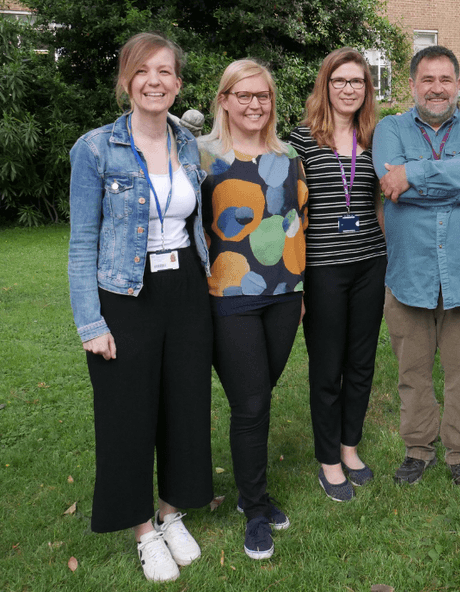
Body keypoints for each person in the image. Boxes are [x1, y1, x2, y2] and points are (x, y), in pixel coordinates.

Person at [68, 32, 212, 583]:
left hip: (185, 291)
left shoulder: (186, 142)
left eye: (165, 71)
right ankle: (143, 531)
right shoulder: (94, 148)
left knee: (184, 404)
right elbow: (82, 242)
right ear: (127, 80)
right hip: (125, 294)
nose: (155, 81)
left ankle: (172, 513)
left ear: (177, 82)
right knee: (126, 416)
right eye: (143, 71)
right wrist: (90, 321)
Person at [372, 45, 460, 488]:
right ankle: (418, 449)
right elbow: (392, 185)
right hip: (409, 274)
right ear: (412, 85)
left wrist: (414, 175)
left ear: (457, 85)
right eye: (428, 79)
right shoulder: (389, 128)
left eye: (445, 80)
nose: (437, 88)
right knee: (412, 372)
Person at [198, 59, 308, 559]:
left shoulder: (287, 157)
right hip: (228, 296)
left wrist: (299, 290)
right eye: (243, 95)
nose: (254, 104)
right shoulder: (201, 158)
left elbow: (295, 222)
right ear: (223, 100)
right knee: (251, 405)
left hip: (284, 296)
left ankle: (250, 493)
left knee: (261, 394)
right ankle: (256, 508)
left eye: (262, 95)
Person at [289, 48, 387, 502]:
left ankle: (350, 447)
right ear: (325, 86)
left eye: (358, 82)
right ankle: (328, 459)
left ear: (367, 90)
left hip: (370, 263)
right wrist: (295, 283)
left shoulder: (376, 137)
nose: (349, 89)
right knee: (327, 367)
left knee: (361, 363)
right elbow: (289, 214)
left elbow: (381, 203)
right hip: (323, 270)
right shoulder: (301, 141)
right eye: (340, 81)